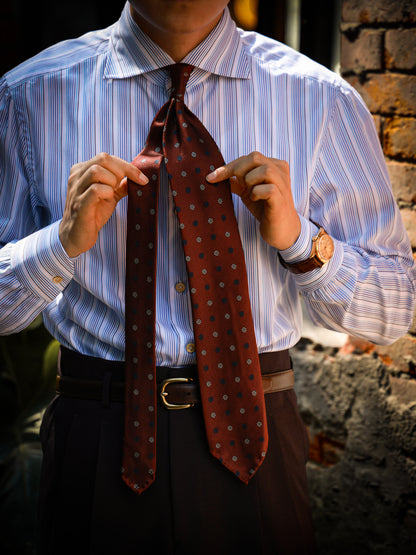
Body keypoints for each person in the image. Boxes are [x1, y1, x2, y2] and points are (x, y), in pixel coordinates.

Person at [0, 1, 415, 553]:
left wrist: (301, 240)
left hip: (255, 433)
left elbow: (392, 313)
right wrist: (59, 242)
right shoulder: (29, 94)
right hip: (96, 438)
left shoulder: (321, 99)